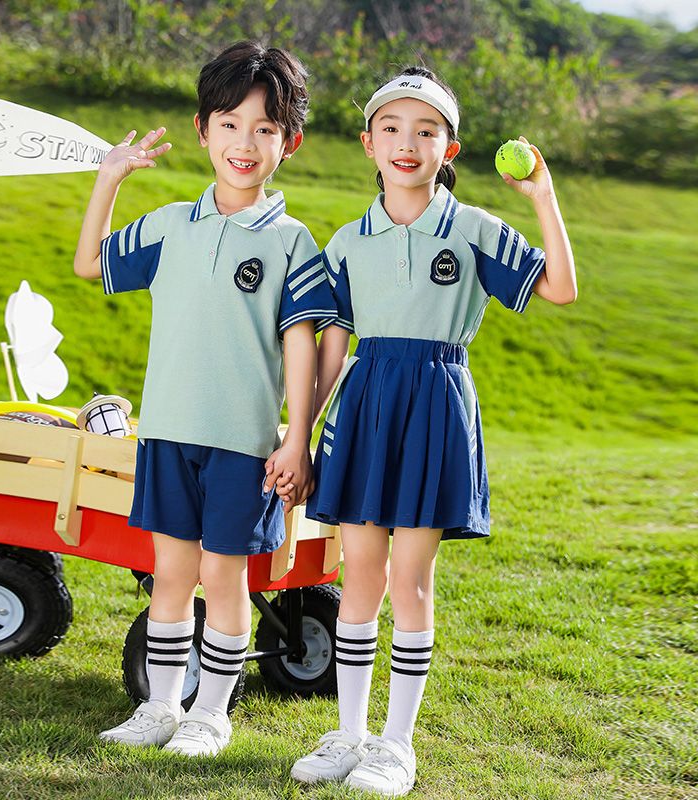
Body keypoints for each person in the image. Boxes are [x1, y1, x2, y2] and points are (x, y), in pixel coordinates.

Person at [289, 67, 577, 796]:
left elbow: (559, 288)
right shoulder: (349, 239)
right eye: (391, 128)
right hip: (365, 400)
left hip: (438, 401)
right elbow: (331, 348)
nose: (407, 143)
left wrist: (542, 198)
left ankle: (397, 746)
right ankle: (350, 734)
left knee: (410, 582)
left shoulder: (474, 228)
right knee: (359, 575)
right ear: (368, 143)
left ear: (450, 148)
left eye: (426, 130)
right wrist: (298, 435)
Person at [73, 41, 336, 757]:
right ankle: (158, 708)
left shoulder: (292, 242)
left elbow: (302, 347)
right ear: (202, 129)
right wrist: (111, 180)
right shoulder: (168, 225)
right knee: (171, 575)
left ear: (291, 141)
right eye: (228, 124)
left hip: (243, 446)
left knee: (223, 578)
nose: (243, 143)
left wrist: (295, 437)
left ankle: (210, 715)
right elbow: (90, 262)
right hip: (166, 434)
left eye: (264, 129)